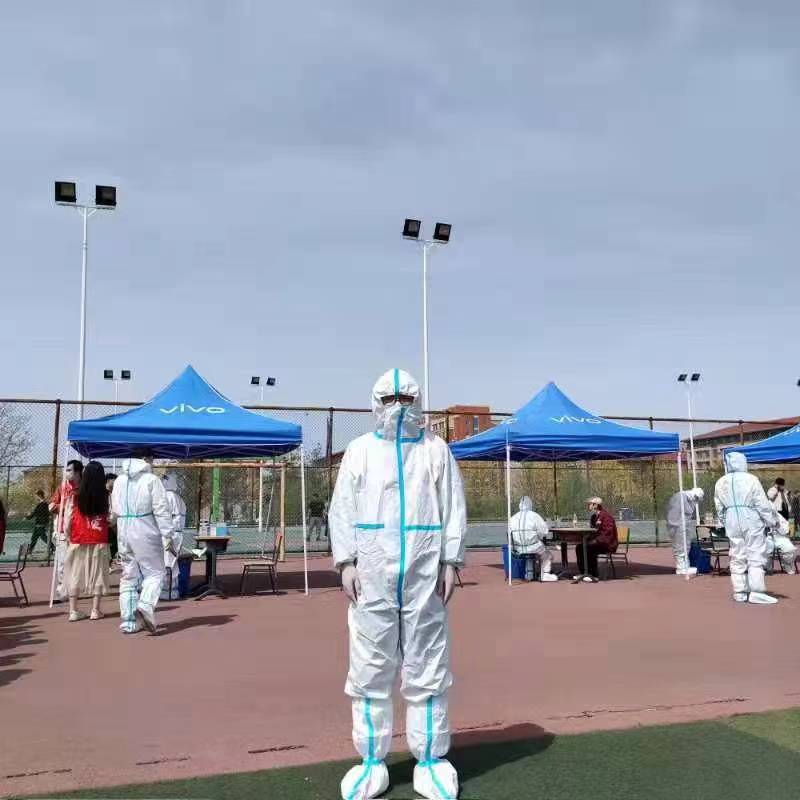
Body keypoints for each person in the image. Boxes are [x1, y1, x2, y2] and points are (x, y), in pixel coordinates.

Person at [329, 369, 466, 800]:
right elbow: (342, 508)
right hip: (371, 573)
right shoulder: (360, 451)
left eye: (404, 398)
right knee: (369, 667)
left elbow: (452, 506)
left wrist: (451, 560)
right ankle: (372, 761)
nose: (397, 407)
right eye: (389, 399)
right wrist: (345, 561)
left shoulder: (435, 450)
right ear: (375, 403)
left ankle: (431, 759)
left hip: (425, 572)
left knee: (428, 664)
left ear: (417, 400)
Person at [111, 449, 174, 634]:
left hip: (123, 529)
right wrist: (168, 534)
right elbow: (161, 509)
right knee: (155, 572)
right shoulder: (151, 480)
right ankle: (145, 605)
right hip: (145, 529)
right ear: (147, 459)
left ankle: (129, 621)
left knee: (129, 575)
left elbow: (114, 508)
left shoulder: (119, 480)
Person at [714, 452, 780, 604]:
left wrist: (725, 521)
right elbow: (762, 503)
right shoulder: (751, 479)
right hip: (750, 517)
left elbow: (719, 506)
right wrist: (771, 521)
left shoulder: (721, 481)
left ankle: (739, 591)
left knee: (737, 554)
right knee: (755, 553)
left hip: (731, 518)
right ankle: (756, 591)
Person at [63, 460, 110, 621]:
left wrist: (68, 536)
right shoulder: (106, 496)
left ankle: (73, 611)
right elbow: (111, 517)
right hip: (99, 539)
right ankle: (95, 610)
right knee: (98, 574)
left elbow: (68, 520)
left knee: (75, 574)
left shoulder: (74, 495)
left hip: (79, 539)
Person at [49, 460, 83, 601]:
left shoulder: (84, 488)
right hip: (63, 531)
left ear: (78, 472)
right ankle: (62, 591)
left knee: (78, 563)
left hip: (80, 532)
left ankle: (75, 589)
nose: (66, 473)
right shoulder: (62, 487)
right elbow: (51, 506)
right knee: (62, 562)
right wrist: (63, 507)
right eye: (66, 470)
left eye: (69, 470)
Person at [508, 496, 558, 581]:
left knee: (530, 552)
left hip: (517, 548)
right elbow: (544, 531)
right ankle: (545, 574)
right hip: (533, 547)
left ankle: (529, 573)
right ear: (530, 504)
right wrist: (538, 534)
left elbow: (509, 534)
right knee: (548, 555)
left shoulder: (512, 518)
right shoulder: (534, 516)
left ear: (519, 505)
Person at [574, 497, 618, 581]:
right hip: (598, 542)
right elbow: (593, 531)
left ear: (596, 505)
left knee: (589, 548)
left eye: (590, 504)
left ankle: (593, 575)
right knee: (579, 547)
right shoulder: (594, 517)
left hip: (607, 544)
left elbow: (608, 533)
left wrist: (596, 540)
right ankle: (584, 573)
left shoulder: (606, 516)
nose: (588, 506)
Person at [665, 488, 704, 575]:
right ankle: (681, 567)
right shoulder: (680, 497)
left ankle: (685, 566)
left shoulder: (687, 499)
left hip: (682, 525)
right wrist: (677, 525)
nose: (696, 501)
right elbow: (674, 514)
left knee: (686, 545)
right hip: (677, 525)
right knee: (680, 546)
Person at [161, 473, 186, 600]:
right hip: (178, 535)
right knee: (173, 563)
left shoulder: (165, 497)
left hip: (168, 535)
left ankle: (166, 593)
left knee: (166, 563)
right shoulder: (179, 499)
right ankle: (173, 591)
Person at [27, 490, 52, 556]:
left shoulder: (43, 504)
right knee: (34, 537)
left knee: (43, 537)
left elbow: (37, 513)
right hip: (39, 523)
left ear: (39, 495)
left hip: (40, 523)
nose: (36, 497)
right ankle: (30, 550)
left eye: (36, 496)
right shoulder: (43, 503)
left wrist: (28, 516)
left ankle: (53, 547)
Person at [105, 473, 119, 566]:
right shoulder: (102, 494)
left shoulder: (114, 494)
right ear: (108, 481)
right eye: (114, 481)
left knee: (115, 544)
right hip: (106, 524)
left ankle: (109, 562)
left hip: (113, 524)